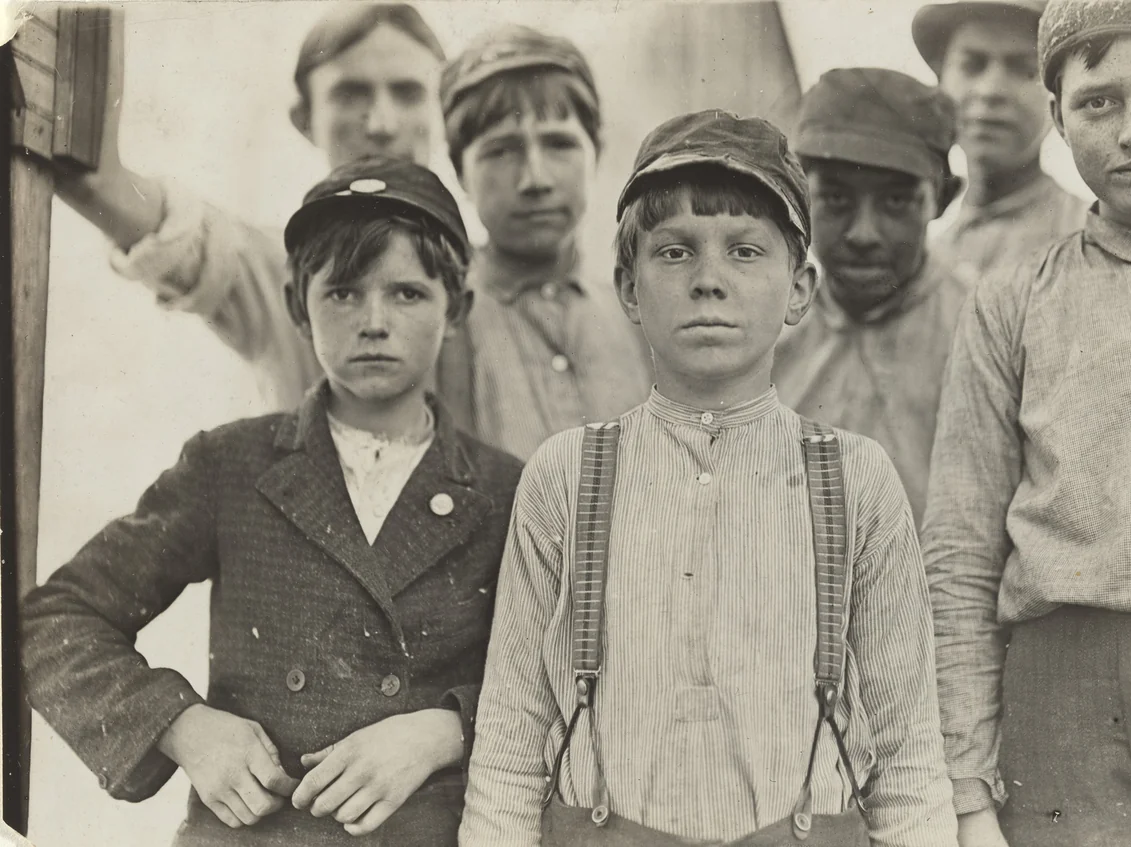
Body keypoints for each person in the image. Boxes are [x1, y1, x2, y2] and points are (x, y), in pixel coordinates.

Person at [459, 110, 957, 846]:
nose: (709, 282)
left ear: (799, 288)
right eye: (675, 252)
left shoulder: (855, 479)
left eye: (746, 251)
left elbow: (909, 754)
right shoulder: (567, 475)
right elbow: (509, 744)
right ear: (629, 289)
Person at [20, 157, 525, 846]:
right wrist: (181, 725)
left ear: (456, 308)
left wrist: (447, 728)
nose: (374, 322)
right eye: (342, 293)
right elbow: (51, 621)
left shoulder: (505, 490)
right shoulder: (231, 465)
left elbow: (560, 686)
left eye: (408, 293)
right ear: (297, 307)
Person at [922, 1, 1131, 844]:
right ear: (1057, 117)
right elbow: (960, 552)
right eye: (1099, 102)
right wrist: (969, 791)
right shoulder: (1012, 300)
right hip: (1064, 705)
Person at [53, 4, 448, 410]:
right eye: (350, 95)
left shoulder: (484, 277)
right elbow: (106, 188)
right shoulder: (278, 270)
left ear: (443, 113)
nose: (382, 124)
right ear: (305, 120)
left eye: (408, 93)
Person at [437, 25, 651, 460]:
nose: (535, 179)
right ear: (460, 172)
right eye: (501, 151)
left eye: (559, 144)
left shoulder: (639, 315)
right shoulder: (445, 323)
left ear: (596, 152)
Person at [773, 68, 968, 527]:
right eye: (836, 200)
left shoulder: (980, 331)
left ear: (940, 199)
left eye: (895, 202)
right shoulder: (764, 329)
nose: (863, 234)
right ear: (798, 197)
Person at [912, 0, 1089, 285]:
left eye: (1024, 69)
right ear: (940, 81)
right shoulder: (922, 238)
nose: (991, 90)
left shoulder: (1088, 240)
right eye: (972, 65)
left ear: (1059, 93)